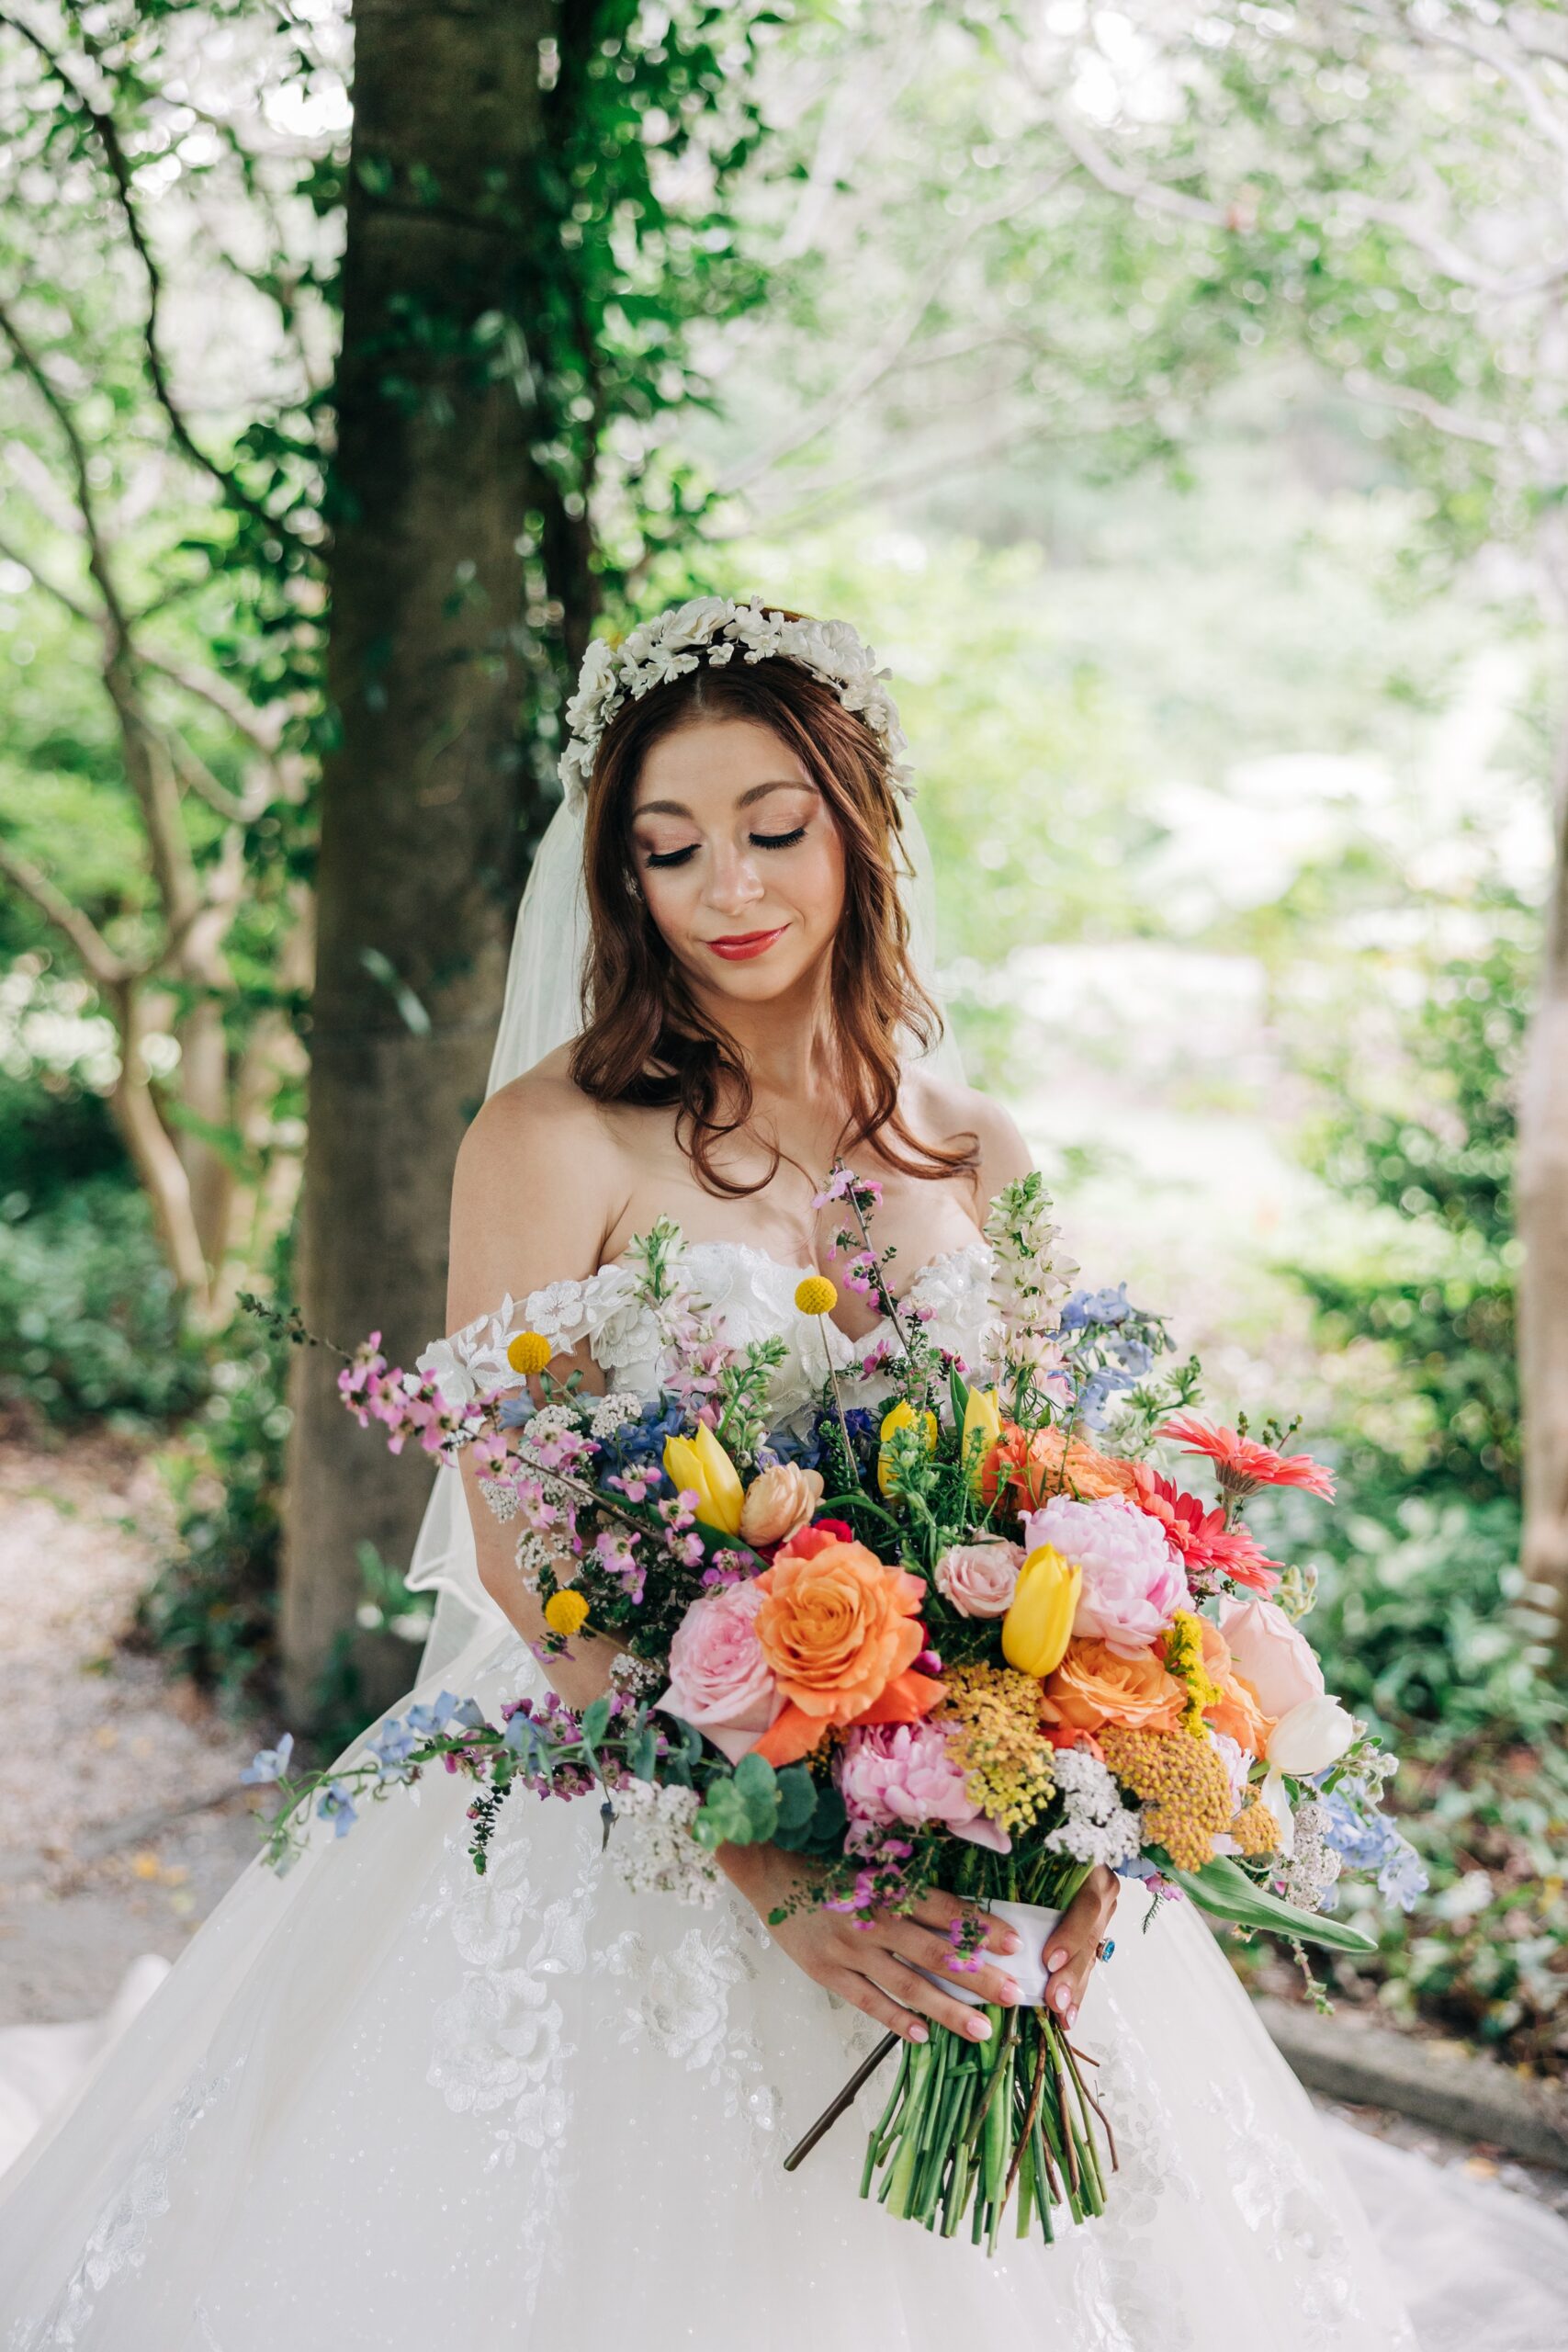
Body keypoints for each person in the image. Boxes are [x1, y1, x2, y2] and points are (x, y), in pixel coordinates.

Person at [0, 600, 1559, 2350]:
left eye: (773, 829)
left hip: (962, 1835)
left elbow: (1068, 1507)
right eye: (671, 849)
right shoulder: (550, 1136)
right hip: (637, 1812)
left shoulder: (982, 1152)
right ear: (621, 880)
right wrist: (774, 1870)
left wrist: (1088, 1824)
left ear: (857, 827)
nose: (729, 888)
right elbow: (525, 1552)